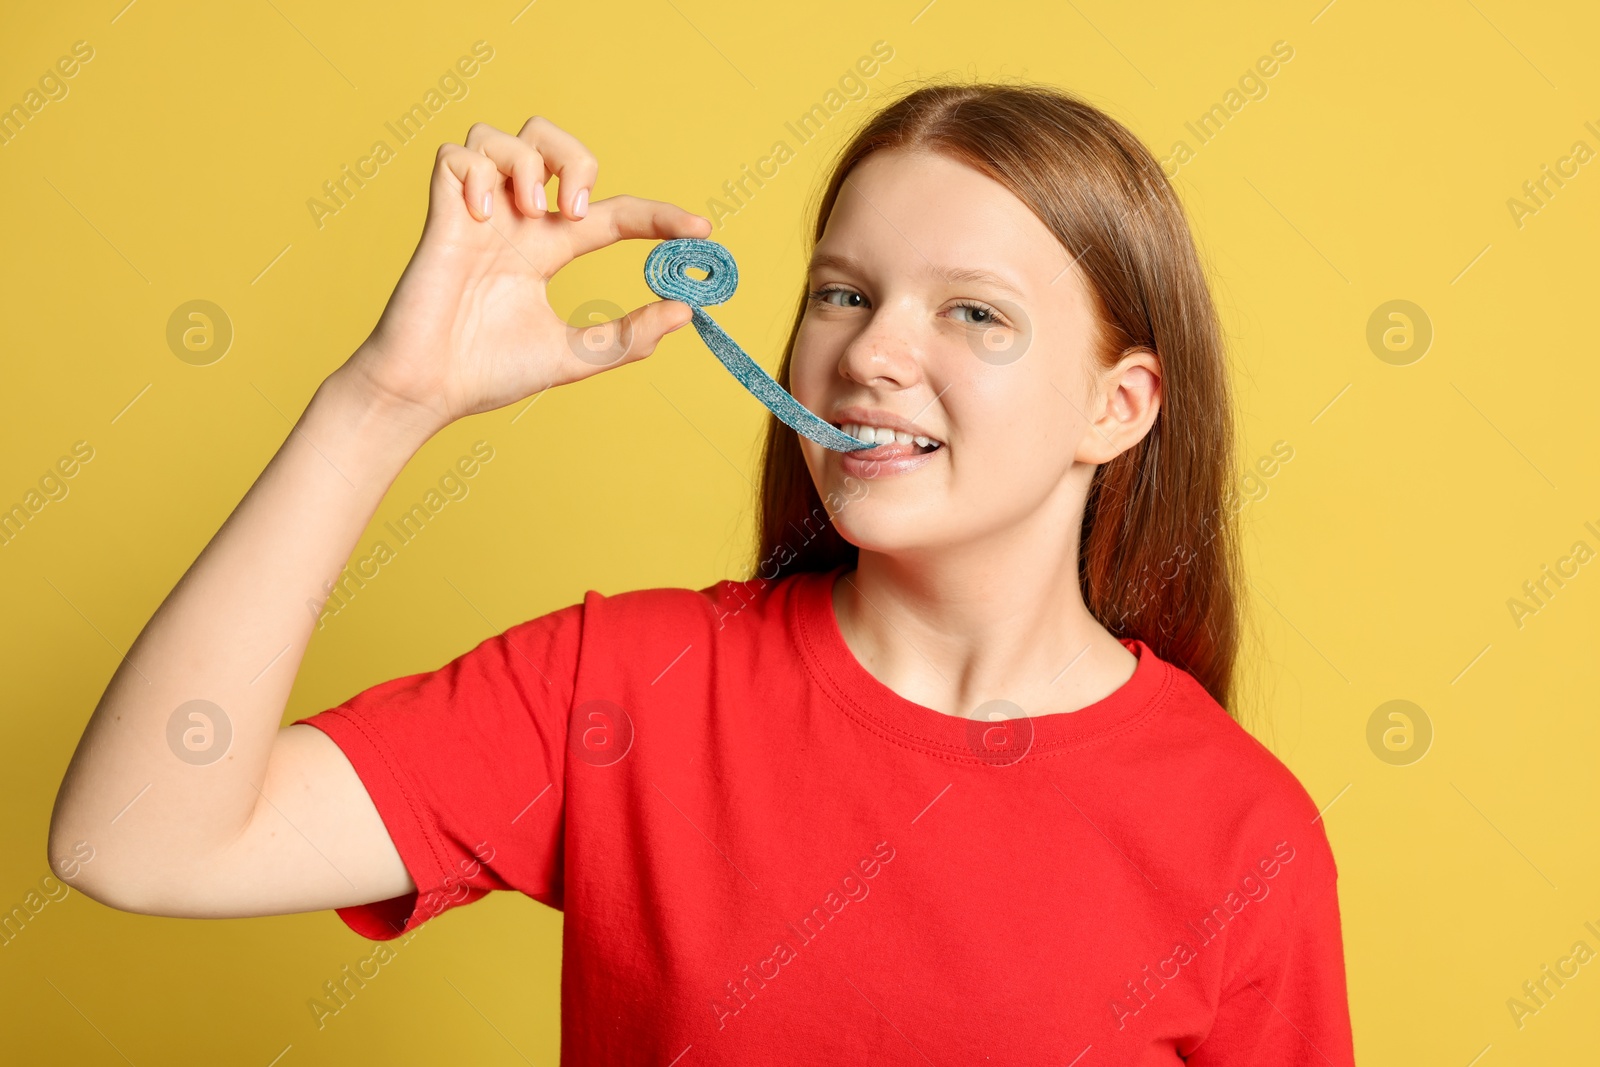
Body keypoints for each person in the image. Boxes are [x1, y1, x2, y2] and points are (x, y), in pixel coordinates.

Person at [48, 80, 1356, 1064]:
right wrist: (385, 399)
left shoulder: (1245, 835)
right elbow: (133, 842)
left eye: (972, 312)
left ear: (1117, 408)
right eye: (844, 294)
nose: (872, 355)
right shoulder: (623, 684)